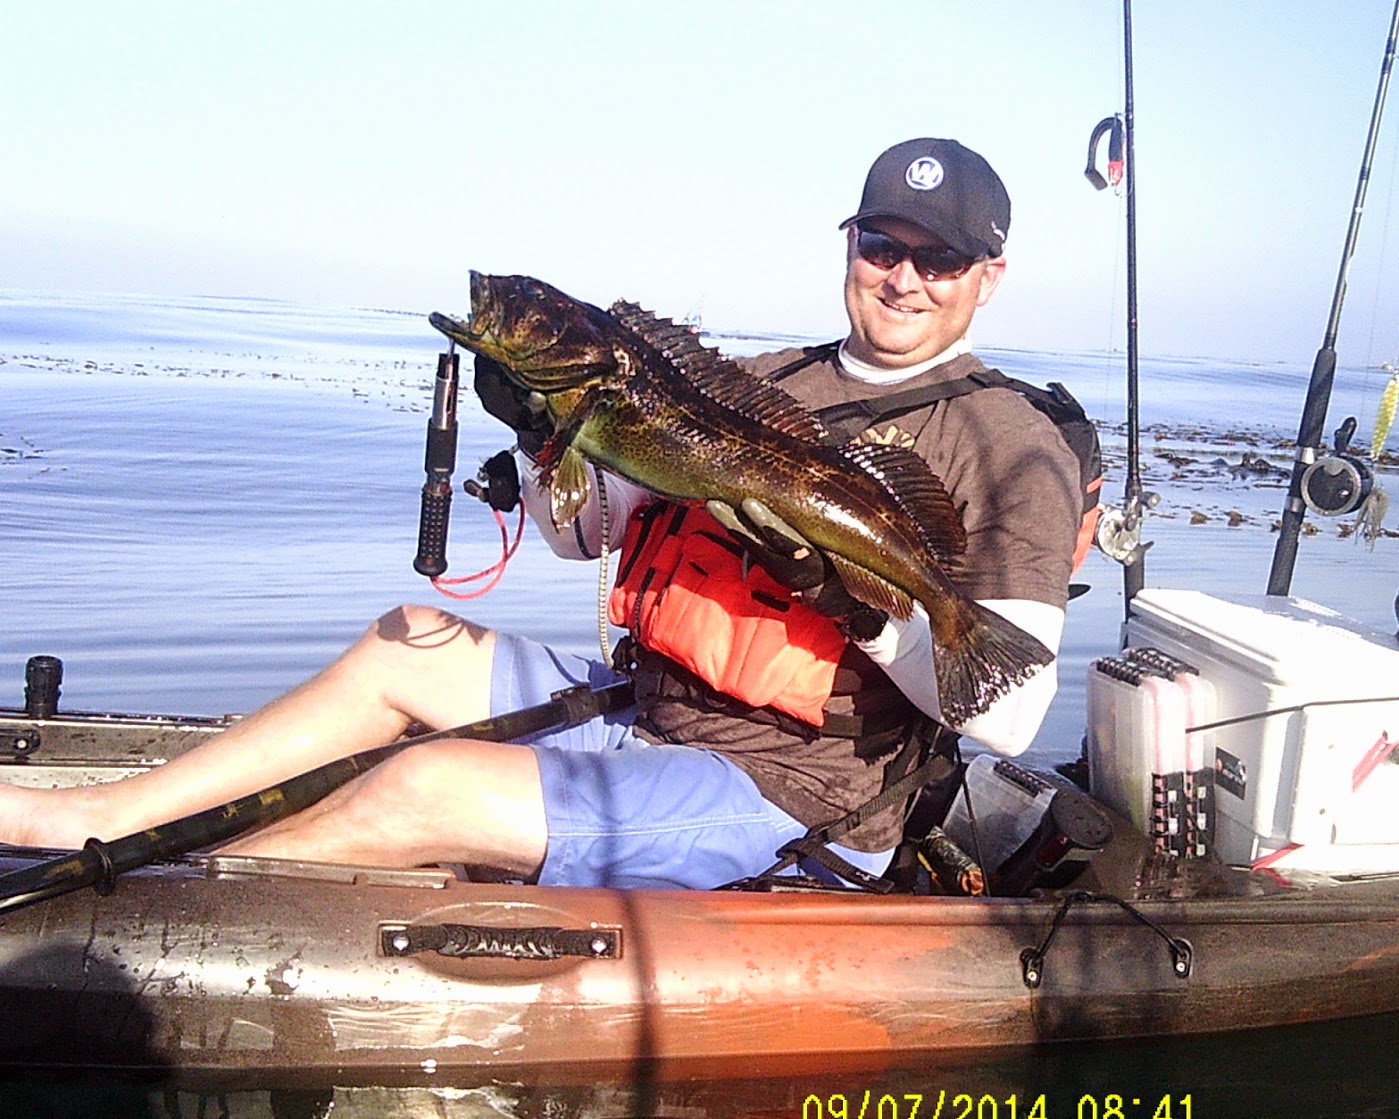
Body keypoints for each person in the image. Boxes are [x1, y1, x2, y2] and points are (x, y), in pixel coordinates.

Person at [0, 137, 1090, 891]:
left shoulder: (1008, 445)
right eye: (882, 245)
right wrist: (542, 432)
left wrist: (856, 608)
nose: (904, 278)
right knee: (401, 644)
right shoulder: (763, 383)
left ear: (987, 276)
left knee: (427, 784)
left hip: (791, 791)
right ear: (848, 243)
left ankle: (181, 888)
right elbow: (586, 531)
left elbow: (1006, 717)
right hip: (643, 705)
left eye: (938, 258)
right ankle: (89, 816)